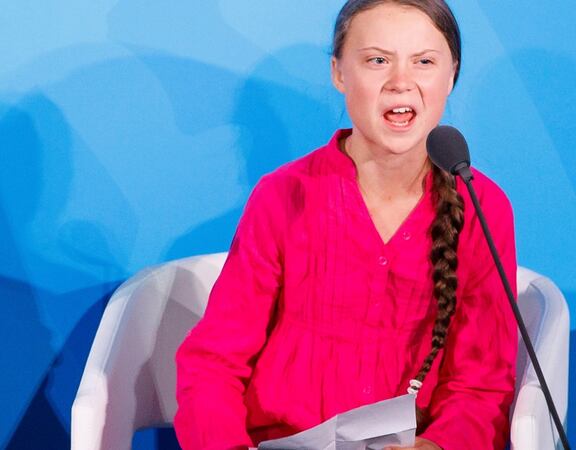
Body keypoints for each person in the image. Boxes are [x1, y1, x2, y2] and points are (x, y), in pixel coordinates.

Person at [174, 1, 518, 449]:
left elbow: (482, 384)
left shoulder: (481, 205)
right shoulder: (283, 195)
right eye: (377, 60)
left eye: (424, 62)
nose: (400, 82)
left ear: (451, 75)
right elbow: (213, 363)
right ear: (339, 73)